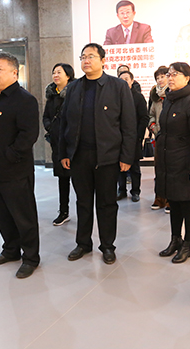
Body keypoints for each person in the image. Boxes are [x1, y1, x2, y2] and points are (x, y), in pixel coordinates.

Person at [60, 43, 136, 265]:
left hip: (108, 156)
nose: (86, 60)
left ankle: (107, 246)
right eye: (83, 57)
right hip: (79, 156)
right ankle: (83, 243)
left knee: (106, 203)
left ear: (103, 60)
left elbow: (129, 125)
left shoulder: (118, 86)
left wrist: (126, 157)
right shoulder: (73, 88)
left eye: (91, 56)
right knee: (83, 202)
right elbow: (64, 123)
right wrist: (64, 152)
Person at [0, 52, 40, 279]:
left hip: (15, 170)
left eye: (0, 69)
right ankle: (11, 249)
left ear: (15, 73)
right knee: (2, 215)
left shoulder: (25, 100)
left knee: (23, 216)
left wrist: (10, 155)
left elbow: (28, 135)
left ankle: (30, 257)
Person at [155, 62, 190, 264]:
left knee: (188, 204)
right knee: (174, 202)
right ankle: (175, 239)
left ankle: (188, 243)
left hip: (186, 163)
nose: (170, 77)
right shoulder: (169, 100)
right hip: (169, 162)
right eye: (169, 74)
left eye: (175, 74)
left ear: (187, 78)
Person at [43, 63, 75, 226]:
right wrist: (51, 128)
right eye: (54, 72)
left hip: (73, 143)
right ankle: (63, 211)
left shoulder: (75, 93)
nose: (55, 75)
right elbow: (46, 117)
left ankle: (85, 212)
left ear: (68, 76)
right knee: (63, 179)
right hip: (57, 143)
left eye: (59, 72)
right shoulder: (51, 95)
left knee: (79, 180)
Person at [117, 70, 148, 202]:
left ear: (132, 81)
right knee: (119, 166)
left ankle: (135, 191)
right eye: (121, 79)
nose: (123, 81)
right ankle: (121, 190)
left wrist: (138, 136)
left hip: (133, 138)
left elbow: (144, 118)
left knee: (134, 167)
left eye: (126, 79)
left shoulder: (138, 97)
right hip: (118, 138)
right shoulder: (115, 96)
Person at [148, 66, 169, 211]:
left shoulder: (174, 95)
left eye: (163, 76)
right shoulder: (155, 97)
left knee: (171, 170)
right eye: (158, 78)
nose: (160, 80)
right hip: (159, 138)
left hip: (173, 139)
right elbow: (150, 115)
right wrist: (153, 127)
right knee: (159, 169)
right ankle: (159, 198)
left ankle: (170, 199)